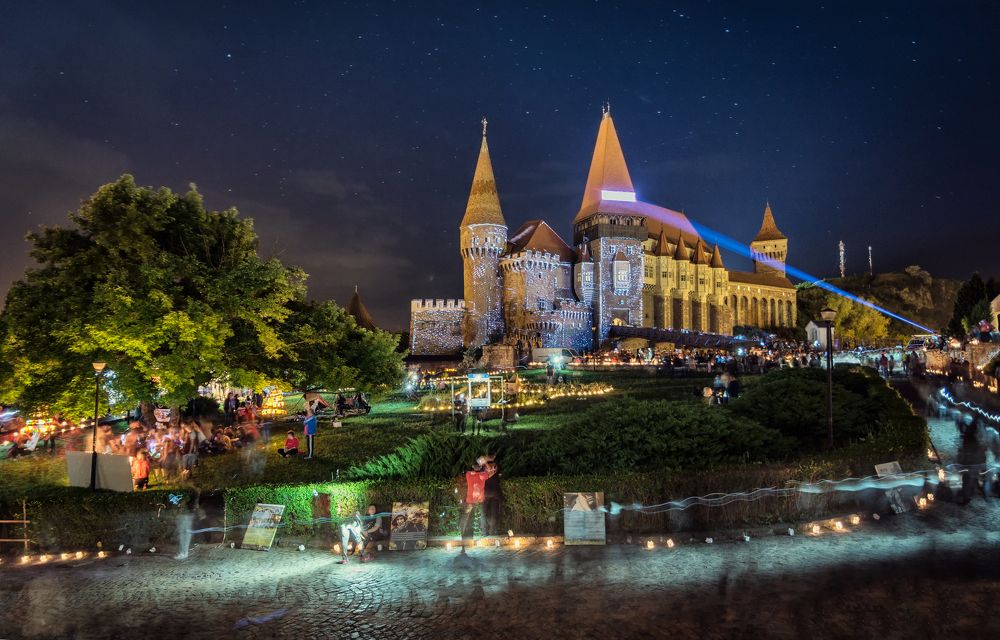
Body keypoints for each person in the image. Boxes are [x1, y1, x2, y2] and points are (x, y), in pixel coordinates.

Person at [481, 458, 502, 536]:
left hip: (485, 495)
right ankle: (493, 531)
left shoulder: (483, 473)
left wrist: (485, 462)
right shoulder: (495, 473)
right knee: (494, 513)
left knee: (484, 514)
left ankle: (484, 532)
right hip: (494, 495)